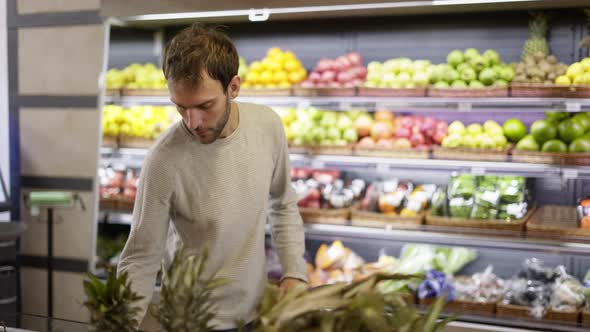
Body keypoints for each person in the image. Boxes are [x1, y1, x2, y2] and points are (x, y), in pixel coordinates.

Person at [117, 23, 308, 331]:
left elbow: (283, 203)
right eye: (181, 108)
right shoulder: (163, 159)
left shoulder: (268, 126)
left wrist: (295, 272)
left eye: (205, 106)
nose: (193, 122)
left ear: (233, 87)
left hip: (257, 313)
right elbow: (140, 257)